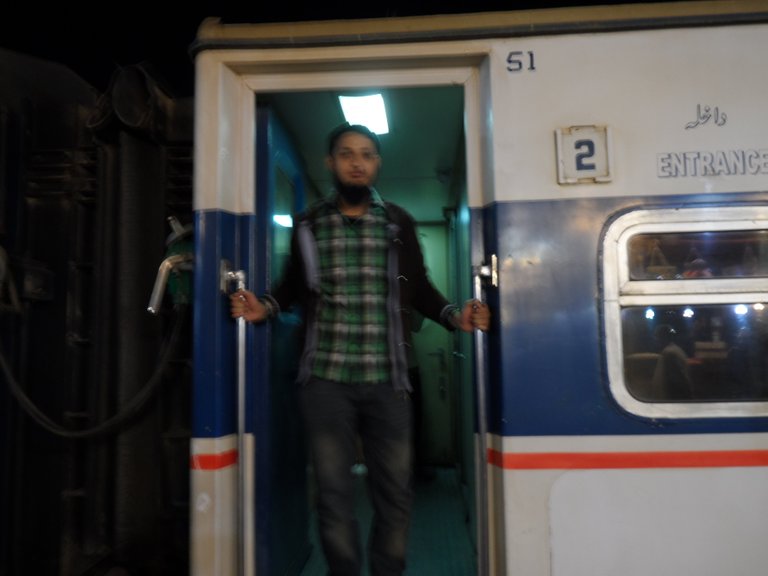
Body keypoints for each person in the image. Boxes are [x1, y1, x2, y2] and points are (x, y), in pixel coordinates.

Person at [230, 122, 490, 576]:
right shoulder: (309, 224)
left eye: (367, 154)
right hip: (326, 380)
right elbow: (293, 286)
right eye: (347, 154)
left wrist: (453, 315)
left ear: (377, 164)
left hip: (388, 380)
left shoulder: (398, 224)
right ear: (330, 163)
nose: (357, 162)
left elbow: (421, 289)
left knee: (395, 495)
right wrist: (264, 307)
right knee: (332, 495)